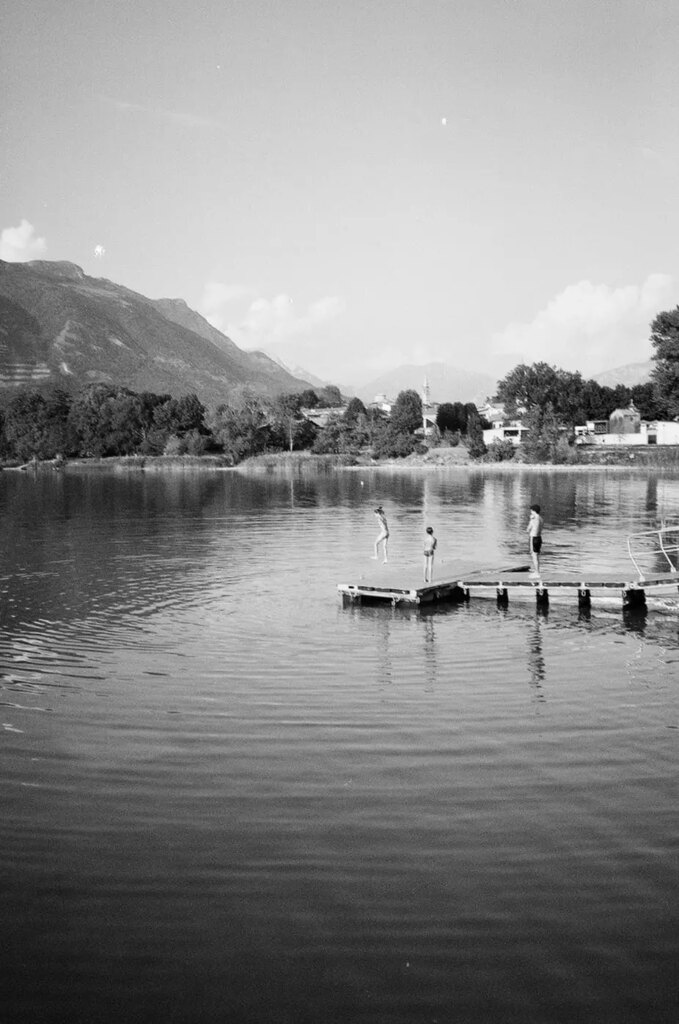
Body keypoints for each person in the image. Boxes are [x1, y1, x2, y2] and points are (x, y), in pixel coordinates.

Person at [526, 503, 544, 577]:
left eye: (531, 510)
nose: (530, 512)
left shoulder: (534, 518)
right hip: (539, 538)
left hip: (533, 537)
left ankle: (536, 573)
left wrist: (530, 520)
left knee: (534, 555)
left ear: (533, 510)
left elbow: (528, 529)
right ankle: (537, 571)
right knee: (536, 555)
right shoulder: (541, 518)